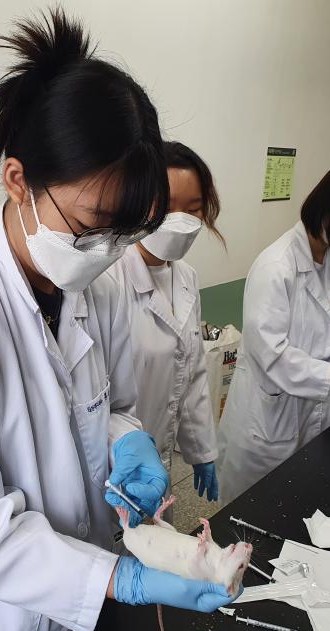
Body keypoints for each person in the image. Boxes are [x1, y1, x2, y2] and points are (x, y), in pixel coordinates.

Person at [0, 10, 236, 631]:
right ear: (18, 180)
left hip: (76, 610)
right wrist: (120, 579)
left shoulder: (91, 285)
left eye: (125, 232)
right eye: (94, 224)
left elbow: (112, 404)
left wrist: (129, 441)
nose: (108, 250)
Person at [217, 158, 330, 504]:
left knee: (300, 500)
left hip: (317, 410)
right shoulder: (276, 267)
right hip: (270, 417)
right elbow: (270, 353)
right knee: (252, 507)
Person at [109, 142, 224, 502]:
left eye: (192, 209)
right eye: (167, 206)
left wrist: (202, 450)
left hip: (160, 456)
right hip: (114, 462)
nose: (180, 220)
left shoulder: (186, 277)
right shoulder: (108, 279)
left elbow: (191, 373)